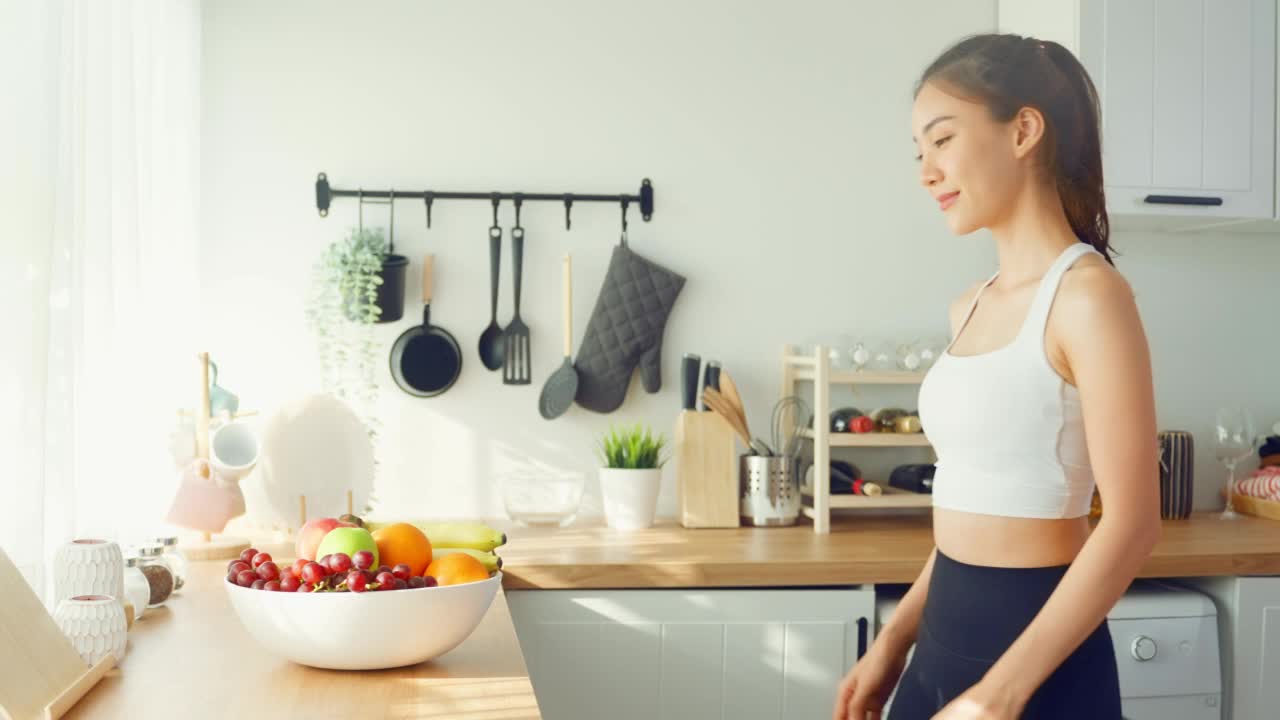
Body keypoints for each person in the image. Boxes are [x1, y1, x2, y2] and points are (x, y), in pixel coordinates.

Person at [834, 33, 1162, 720]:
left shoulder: (1089, 296)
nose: (926, 170)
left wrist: (999, 694)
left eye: (943, 139)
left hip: (1038, 676)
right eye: (918, 151)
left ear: (1024, 130)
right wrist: (893, 641)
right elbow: (969, 509)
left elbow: (1132, 525)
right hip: (937, 654)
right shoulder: (970, 305)